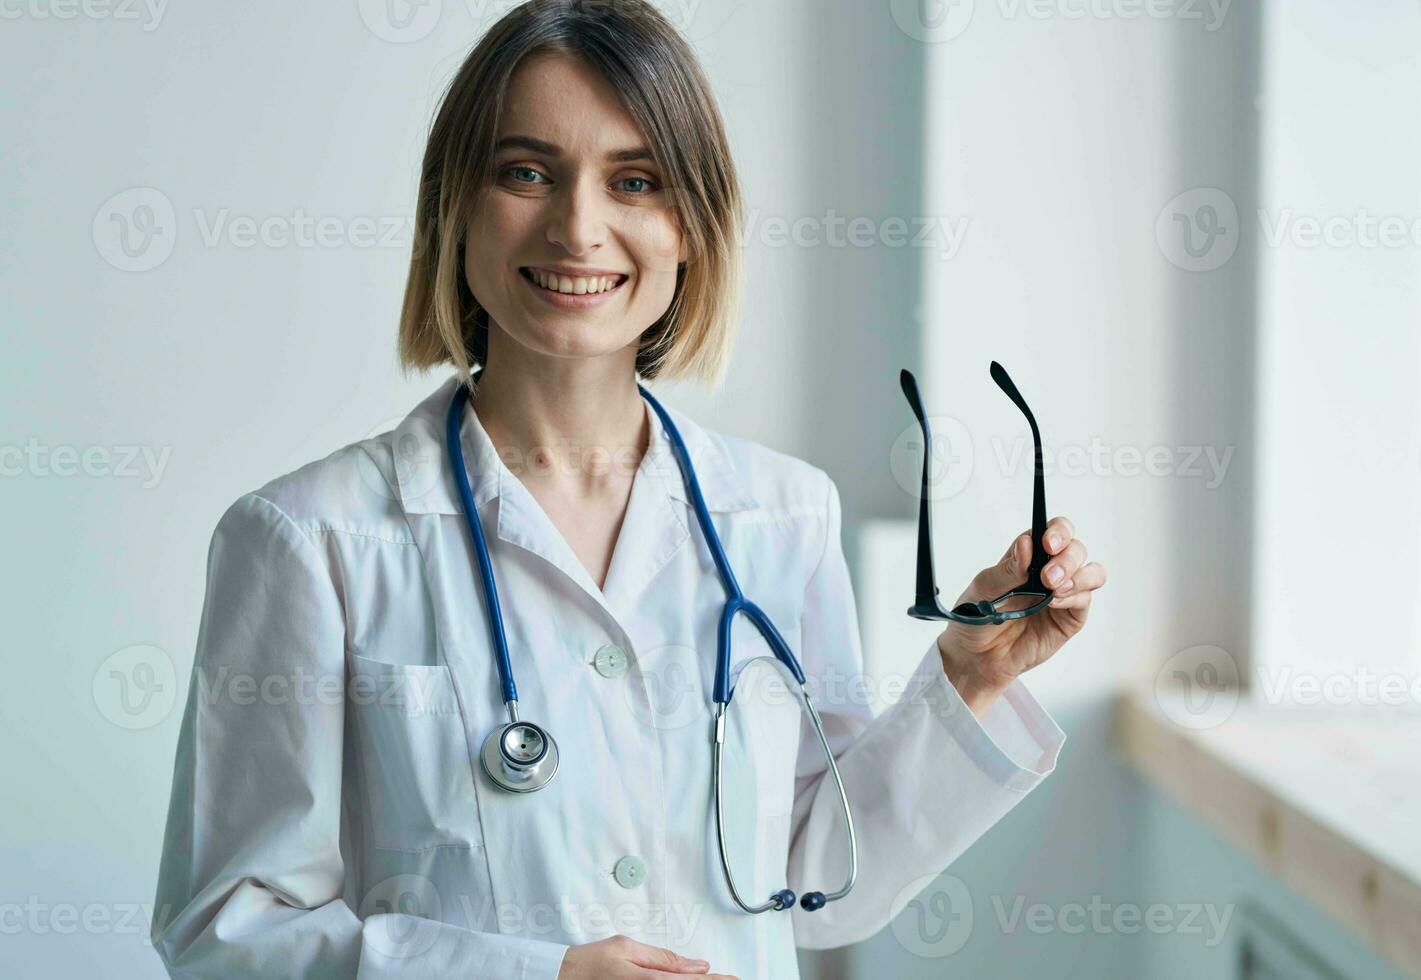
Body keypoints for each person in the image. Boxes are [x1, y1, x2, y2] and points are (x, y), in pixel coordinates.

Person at [151, 1, 1107, 977]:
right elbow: (227, 930)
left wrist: (968, 677)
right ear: (455, 205)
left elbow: (813, 889)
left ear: (692, 225)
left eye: (635, 180)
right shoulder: (310, 539)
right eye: (526, 172)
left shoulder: (782, 516)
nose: (577, 226)